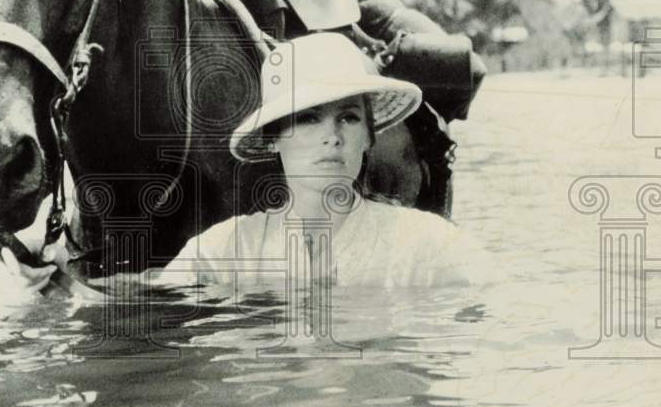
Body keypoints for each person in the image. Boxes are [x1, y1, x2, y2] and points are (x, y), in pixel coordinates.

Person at [150, 32, 494, 290]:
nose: (333, 136)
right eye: (309, 119)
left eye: (348, 118)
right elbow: (152, 305)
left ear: (369, 138)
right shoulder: (222, 249)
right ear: (273, 138)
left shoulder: (429, 244)